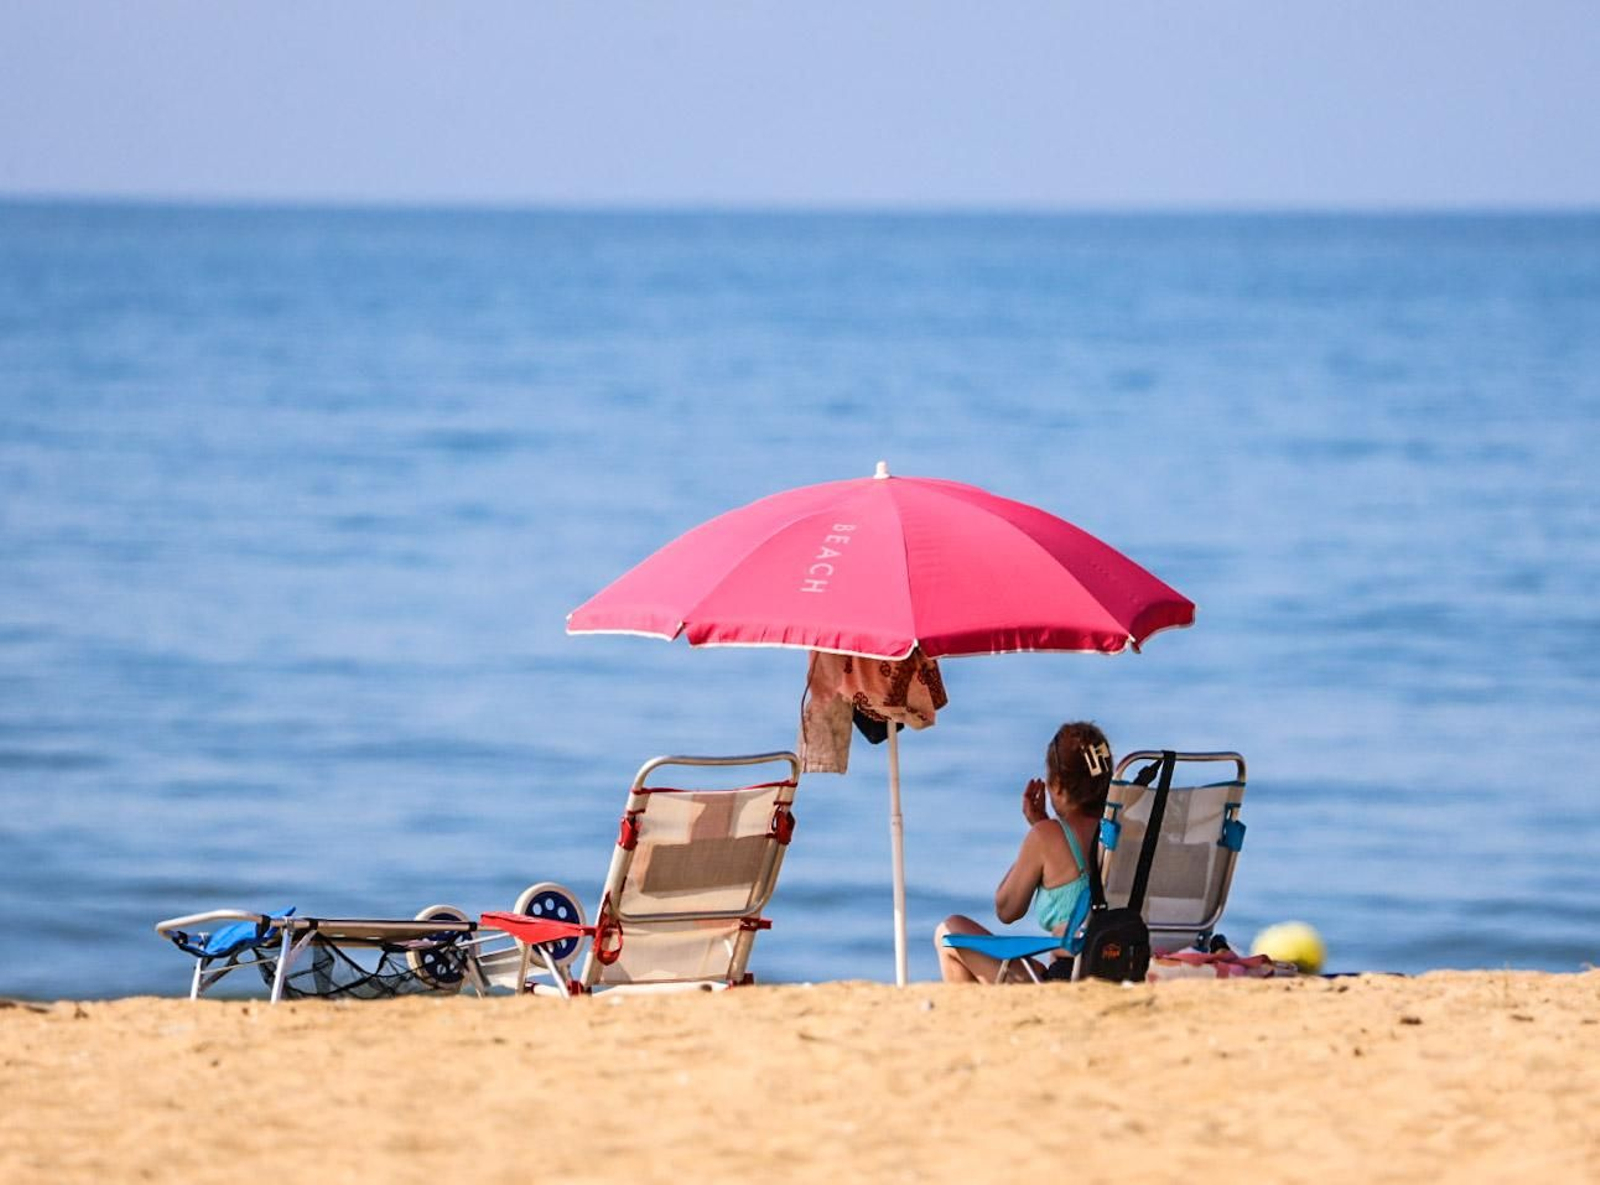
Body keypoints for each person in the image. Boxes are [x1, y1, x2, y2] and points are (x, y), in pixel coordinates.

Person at [934, 721, 1113, 983]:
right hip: (1125, 963)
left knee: (948, 933)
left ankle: (969, 1023)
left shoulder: (1047, 836)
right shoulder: (1131, 830)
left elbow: (1006, 909)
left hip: (1067, 978)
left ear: (1058, 786)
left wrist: (1040, 829)